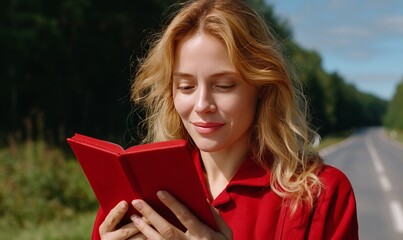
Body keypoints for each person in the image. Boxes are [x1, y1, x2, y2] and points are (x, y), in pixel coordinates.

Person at [93, 0, 358, 239]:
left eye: (224, 85)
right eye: (186, 86)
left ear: (262, 88)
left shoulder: (320, 195)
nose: (202, 105)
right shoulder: (136, 192)